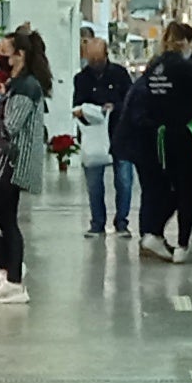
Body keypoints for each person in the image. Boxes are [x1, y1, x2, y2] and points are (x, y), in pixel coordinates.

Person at [0, 32, 51, 303]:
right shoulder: (17, 84)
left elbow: (10, 126)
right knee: (6, 220)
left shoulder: (26, 87)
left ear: (20, 55)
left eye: (4, 50)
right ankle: (12, 273)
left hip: (10, 165)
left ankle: (11, 273)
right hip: (8, 165)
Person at [133, 25, 192, 259]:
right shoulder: (183, 66)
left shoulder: (154, 66)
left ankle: (153, 231)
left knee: (173, 187)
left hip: (162, 135)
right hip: (186, 132)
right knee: (189, 189)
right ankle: (182, 245)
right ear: (186, 42)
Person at [71, 30, 129, 235]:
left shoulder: (120, 74)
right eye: (90, 58)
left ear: (106, 56)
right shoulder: (81, 79)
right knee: (94, 183)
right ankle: (97, 222)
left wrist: (114, 107)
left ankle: (122, 222)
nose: (95, 62)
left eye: (98, 58)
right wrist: (90, 112)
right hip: (94, 136)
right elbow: (76, 105)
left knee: (124, 180)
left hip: (119, 133)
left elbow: (130, 101)